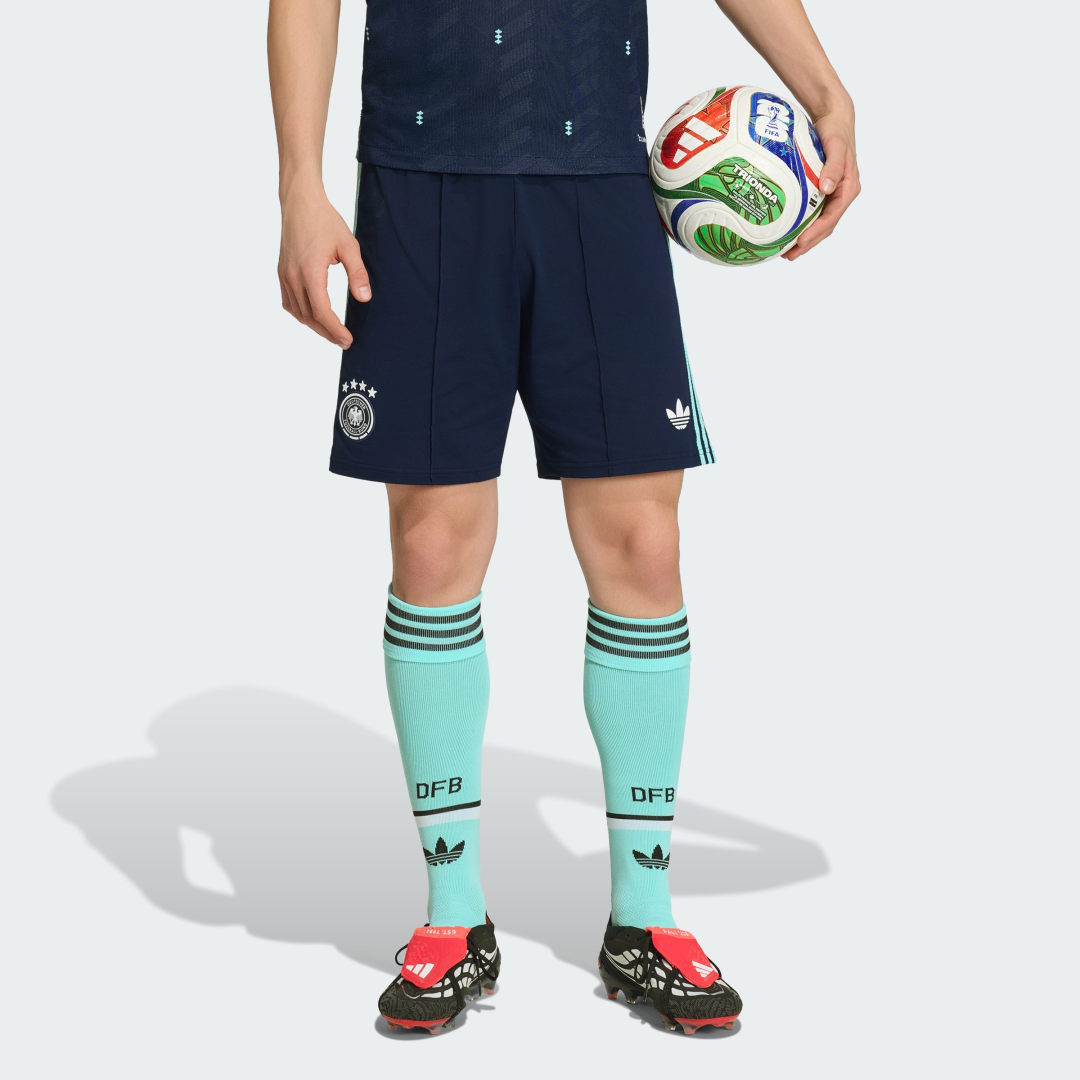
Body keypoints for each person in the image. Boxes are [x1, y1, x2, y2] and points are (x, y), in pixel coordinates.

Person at [268, 0, 859, 1036]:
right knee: (433, 543)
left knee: (644, 544)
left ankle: (645, 916)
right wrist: (299, 187)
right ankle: (453, 915)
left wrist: (827, 92)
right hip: (423, 175)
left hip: (601, 183)